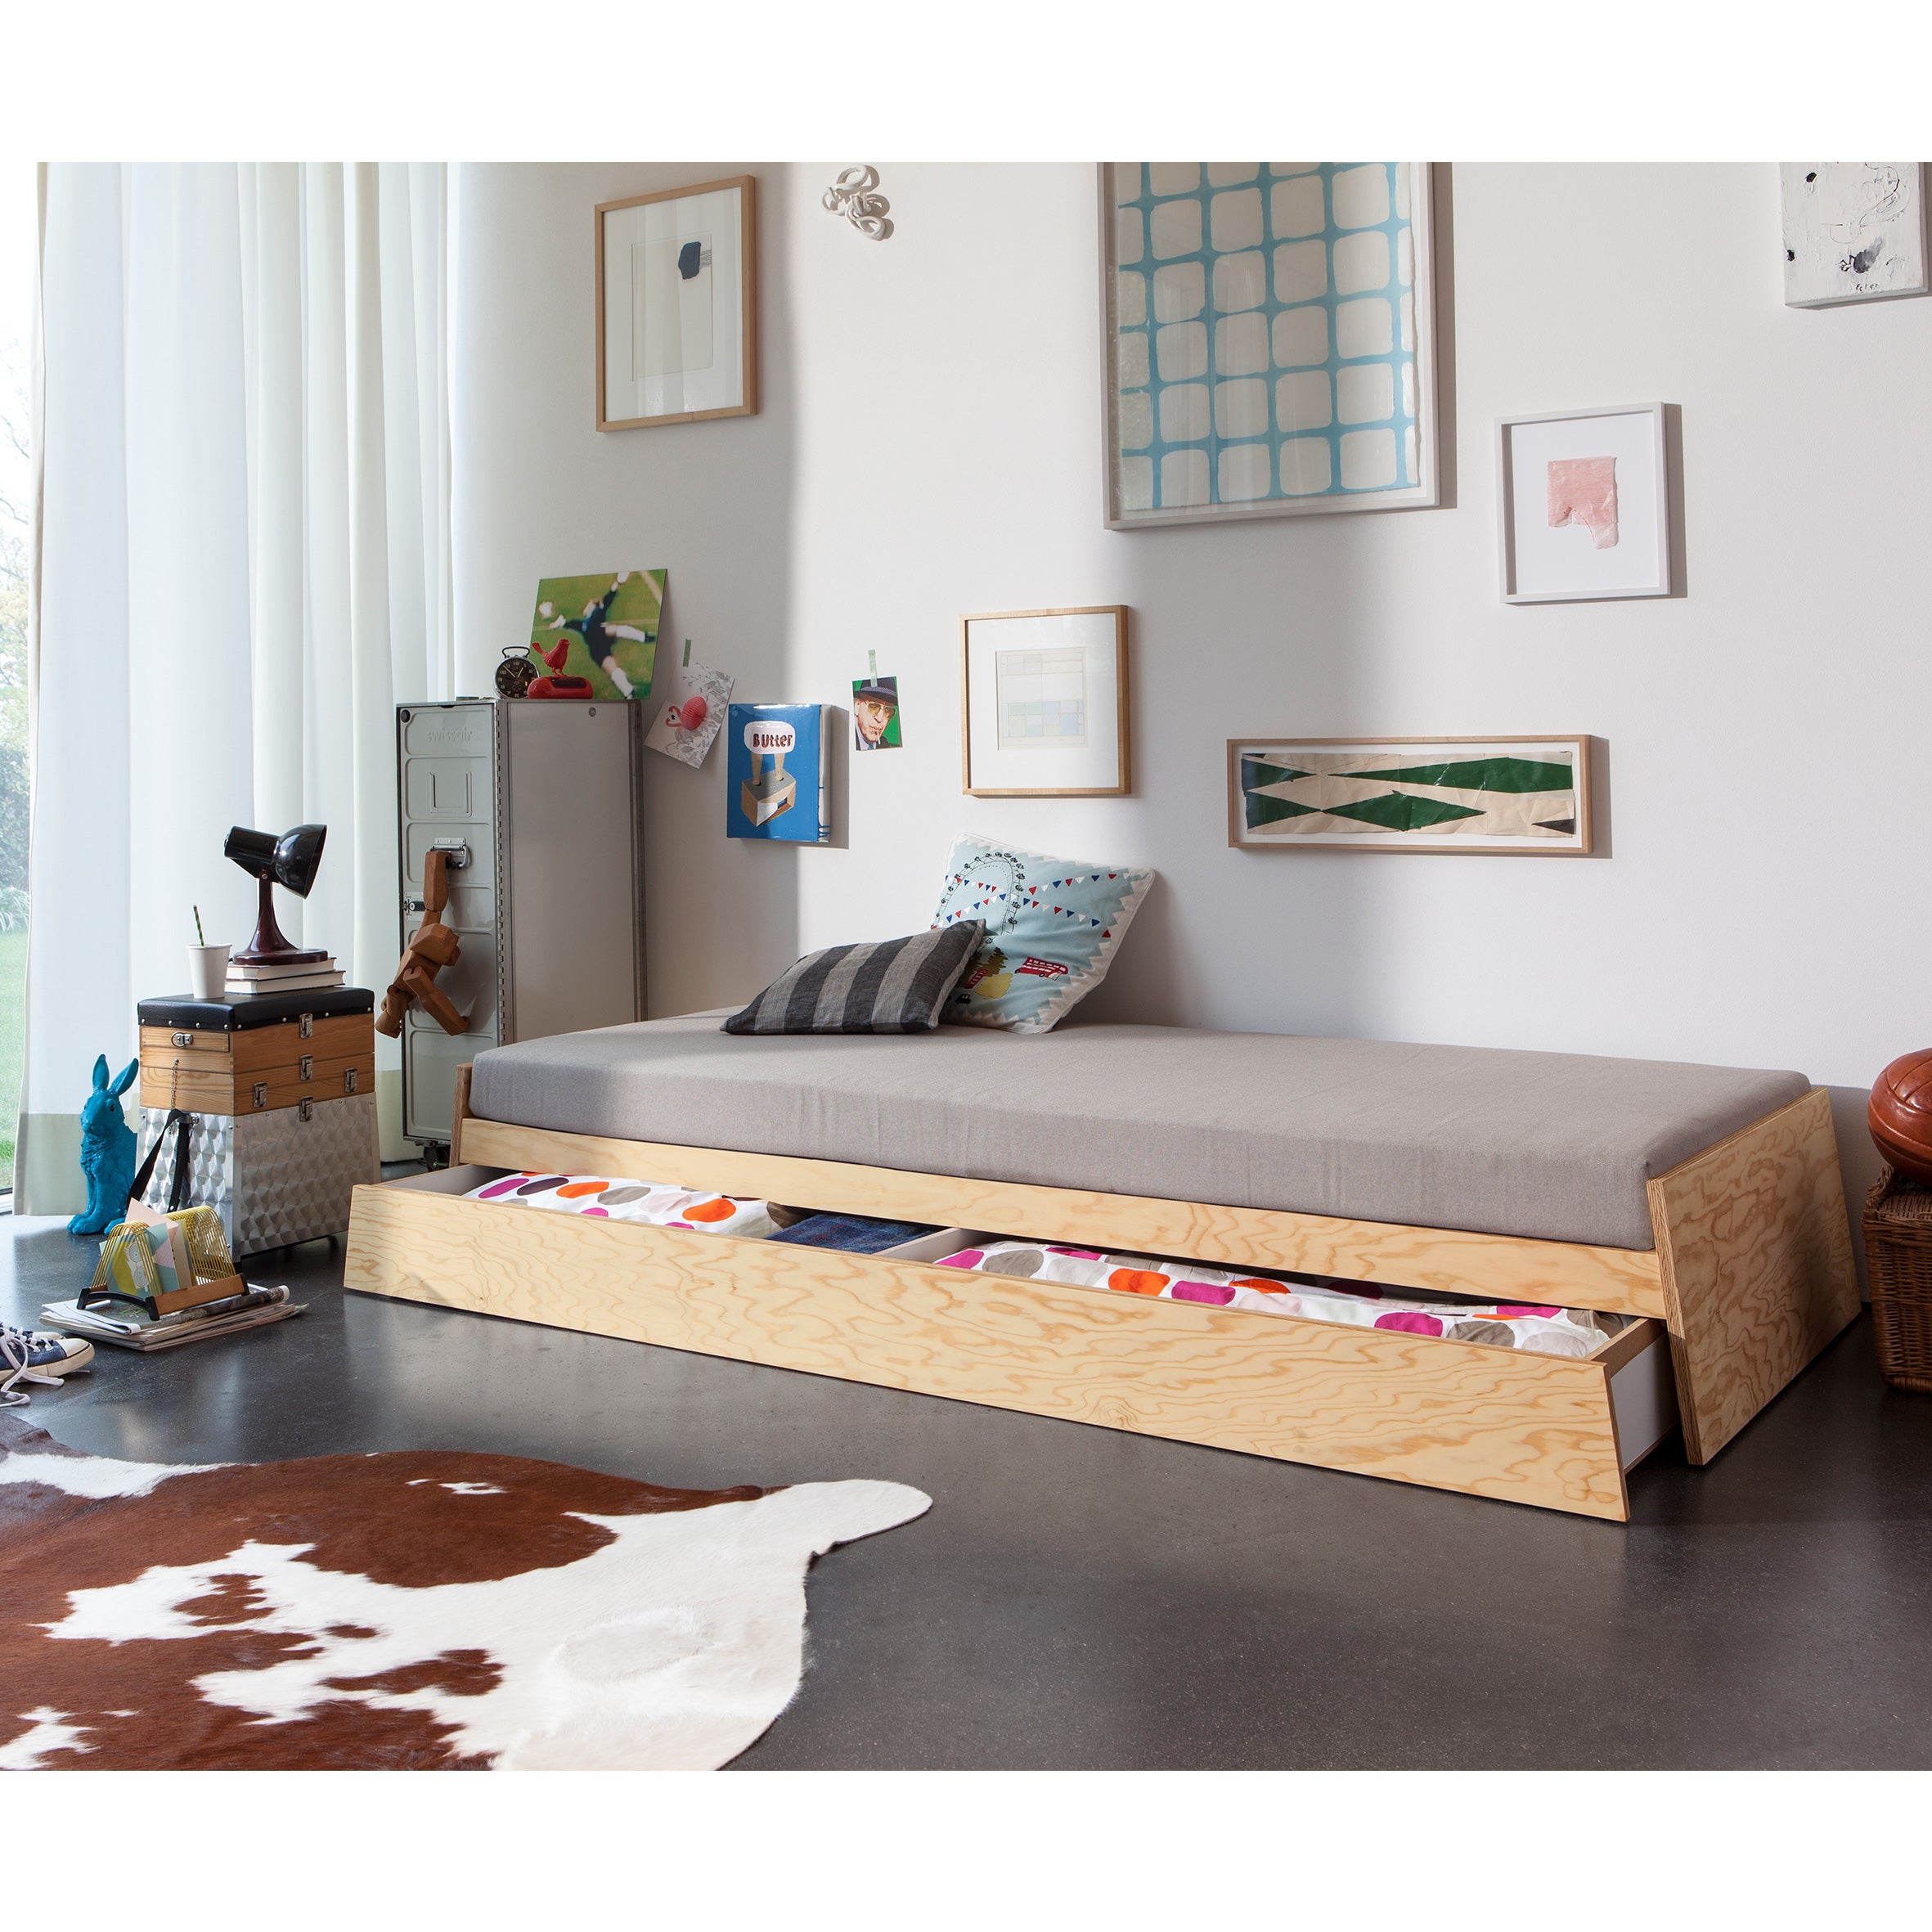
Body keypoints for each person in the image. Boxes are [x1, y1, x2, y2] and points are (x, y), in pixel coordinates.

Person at [538, 572, 653, 698]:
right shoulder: (584, 624)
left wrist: (618, 583)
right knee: (613, 668)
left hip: (601, 637)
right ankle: (629, 692)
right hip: (597, 649)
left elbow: (609, 597)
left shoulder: (598, 613)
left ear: (594, 606)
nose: (587, 606)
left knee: (611, 630)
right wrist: (558, 623)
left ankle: (644, 637)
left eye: (590, 604)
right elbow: (571, 624)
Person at [853, 678, 899, 750]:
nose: (880, 719)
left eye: (888, 711)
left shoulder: (884, 744)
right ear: (857, 705)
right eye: (873, 707)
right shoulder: (845, 738)